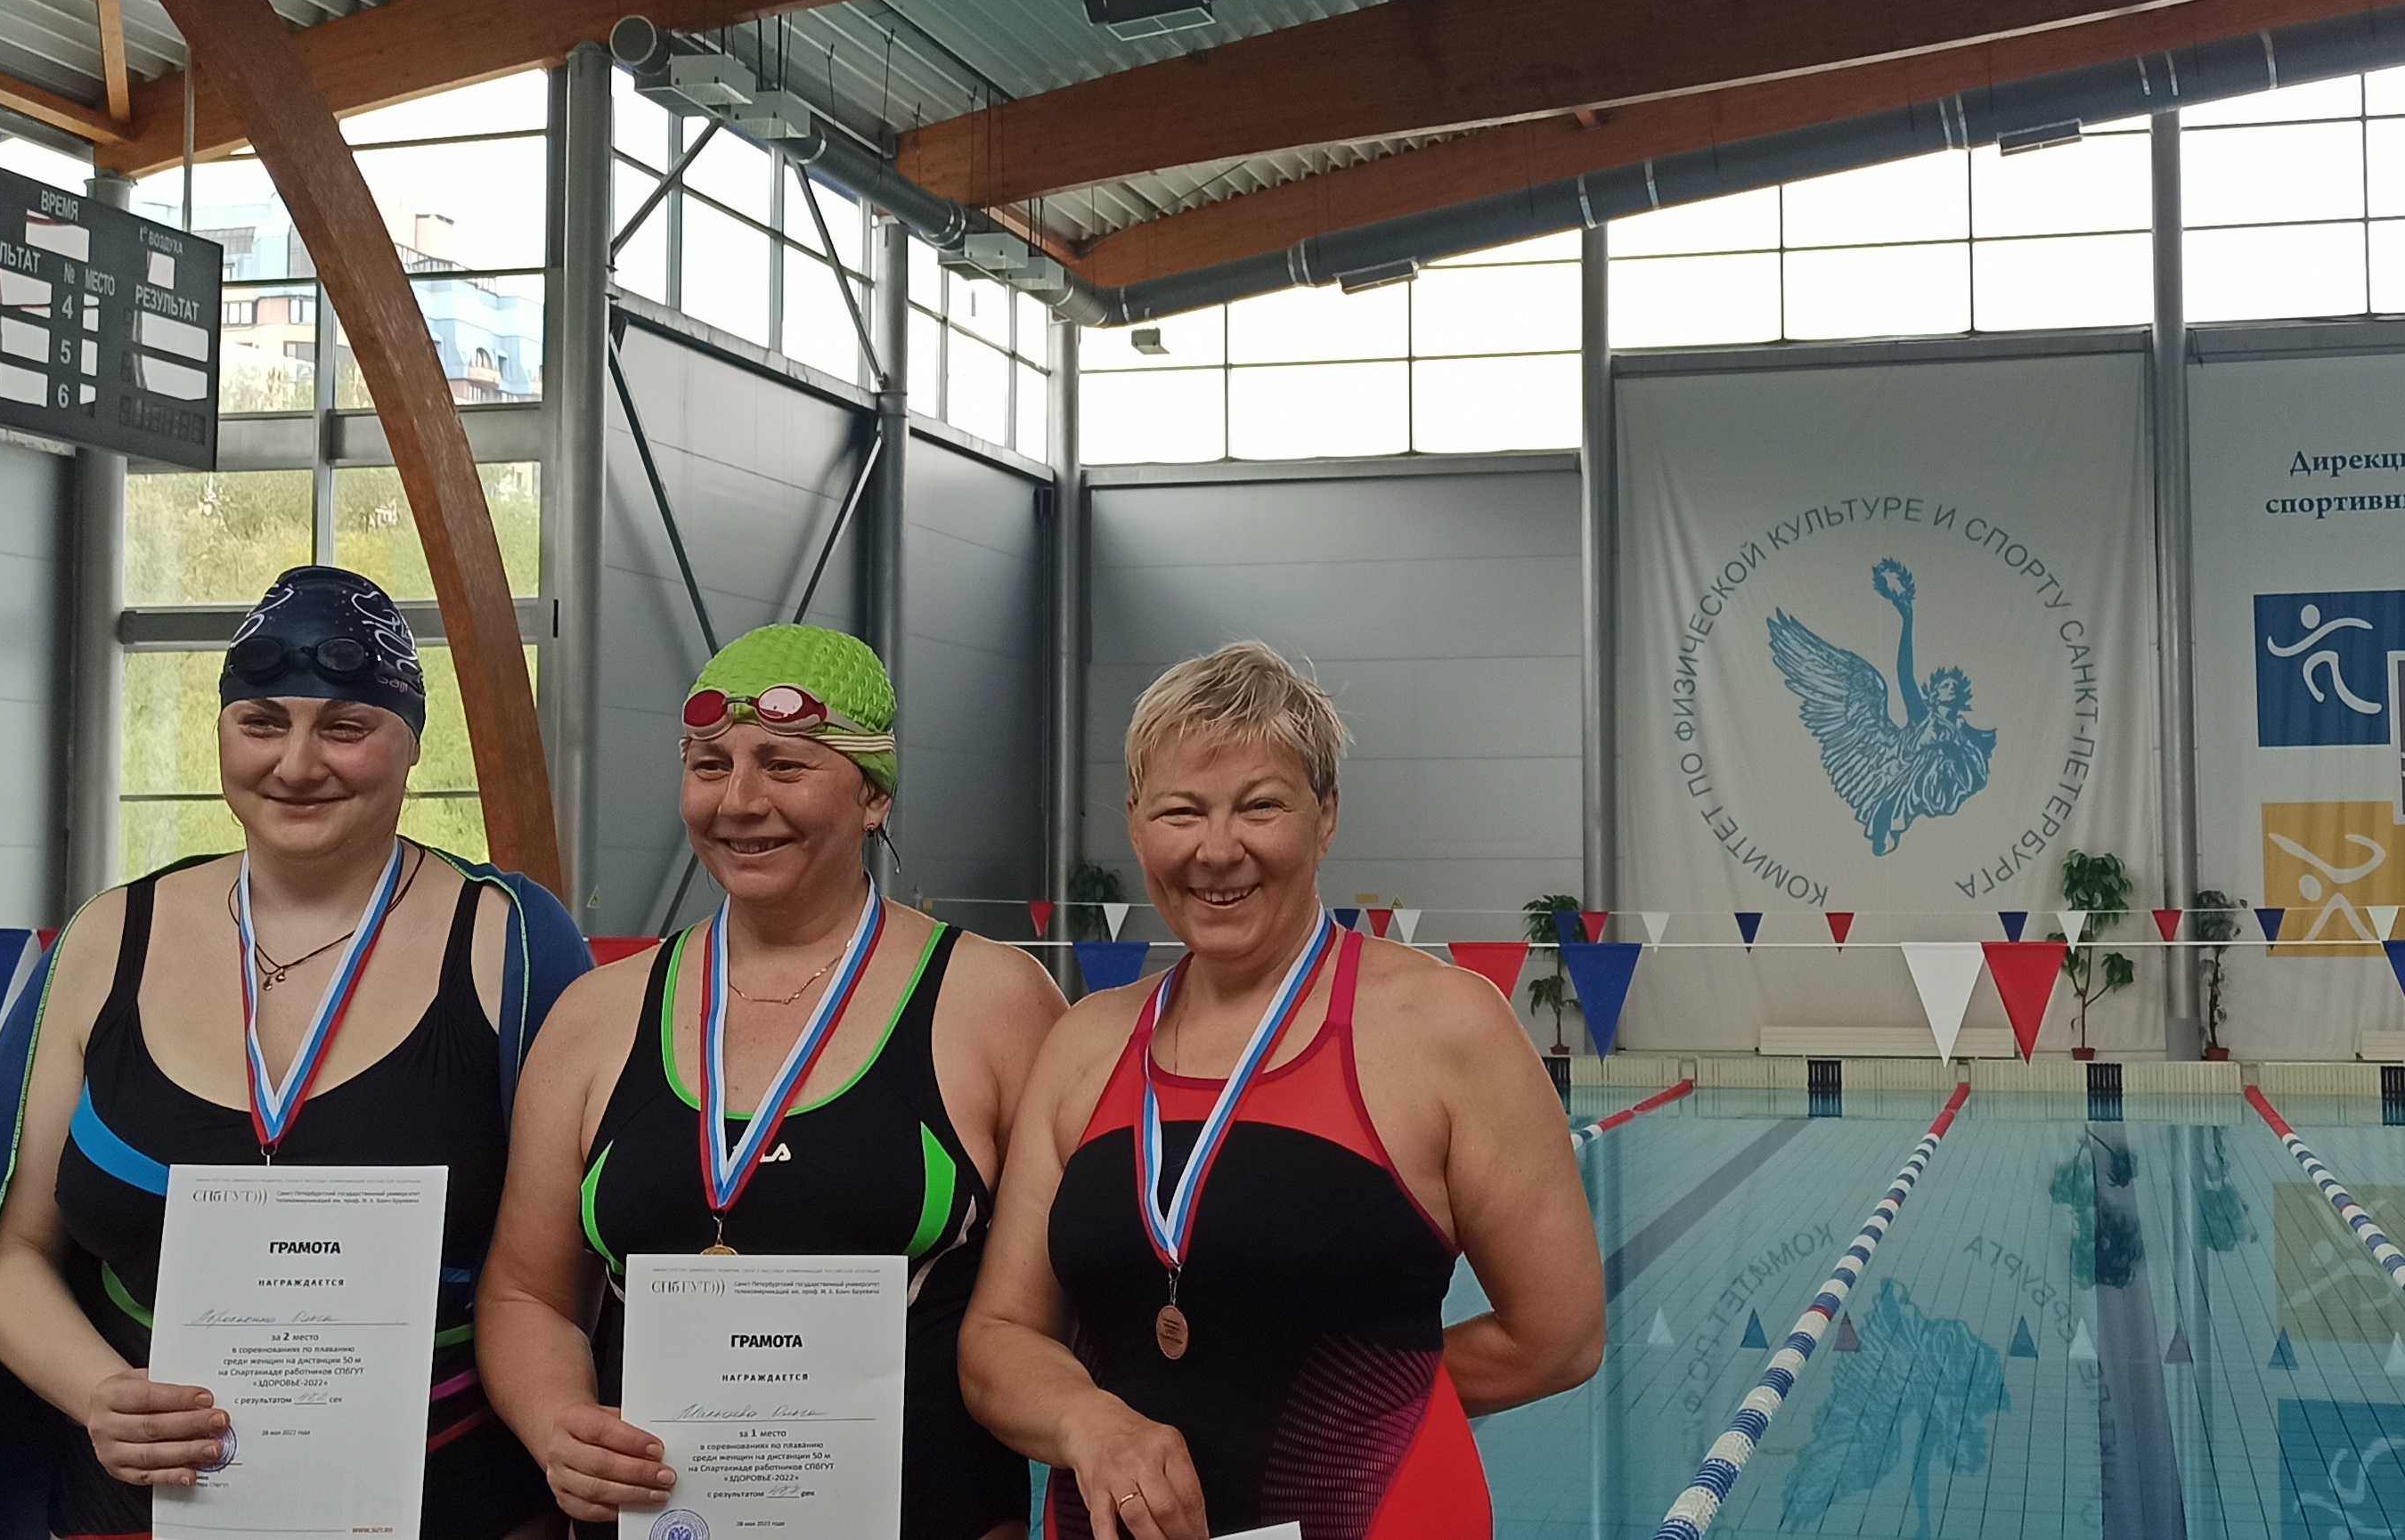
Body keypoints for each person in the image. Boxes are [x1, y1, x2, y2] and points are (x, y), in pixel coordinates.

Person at [0, 566, 593, 1539]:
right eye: (262, 722)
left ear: (411, 741)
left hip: (452, 1508)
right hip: (132, 1509)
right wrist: (100, 1391)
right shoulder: (109, 940)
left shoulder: (512, 944)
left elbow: (573, 1270)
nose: (297, 763)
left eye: (345, 727)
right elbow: (11, 1256)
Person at [963, 641, 1605, 1540]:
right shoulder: (1086, 1042)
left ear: (1325, 814)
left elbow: (1559, 1337)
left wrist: (1363, 1403)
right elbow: (999, 1336)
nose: (1217, 850)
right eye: (1181, 811)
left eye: (1260, 806)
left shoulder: (1447, 1028)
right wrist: (1088, 1422)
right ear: (1136, 826)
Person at [477, 623, 1068, 1536]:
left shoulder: (996, 1003)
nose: (739, 801)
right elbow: (528, 1295)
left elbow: (1064, 1306)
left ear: (874, 794)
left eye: (785, 765)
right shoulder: (596, 1016)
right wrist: (558, 1421)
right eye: (709, 765)